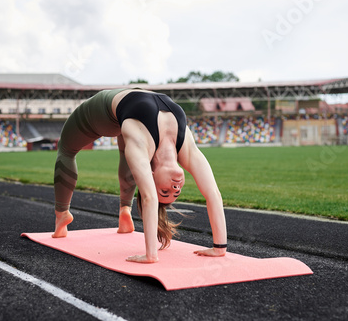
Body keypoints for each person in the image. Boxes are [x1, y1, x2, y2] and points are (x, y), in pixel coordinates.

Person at [52, 88, 227, 263]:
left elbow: (149, 197)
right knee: (127, 146)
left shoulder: (142, 143)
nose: (175, 187)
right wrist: (219, 248)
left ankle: (62, 214)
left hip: (106, 112)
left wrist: (151, 255)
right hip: (130, 109)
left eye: (166, 191)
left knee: (66, 148)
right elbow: (213, 193)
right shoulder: (185, 146)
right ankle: (124, 211)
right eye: (177, 192)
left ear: (152, 176)